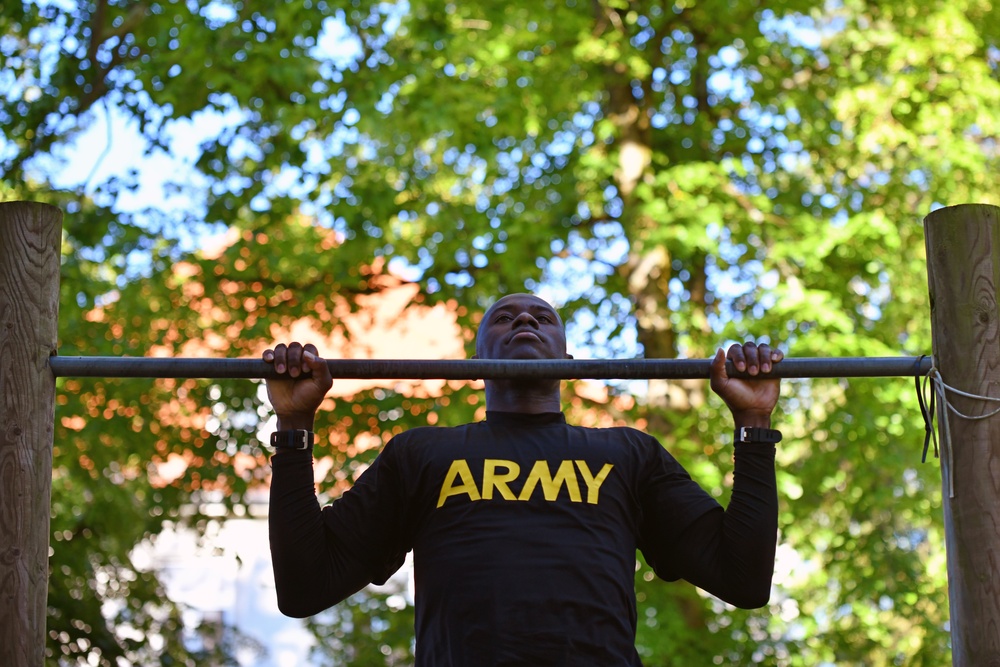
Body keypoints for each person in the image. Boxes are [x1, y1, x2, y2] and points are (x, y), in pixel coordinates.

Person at [264, 293, 783, 666]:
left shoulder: (627, 453)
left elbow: (743, 580)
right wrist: (293, 426)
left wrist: (754, 425)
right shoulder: (421, 454)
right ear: (475, 365)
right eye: (504, 317)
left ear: (570, 362)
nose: (525, 321)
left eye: (543, 317)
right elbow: (305, 588)